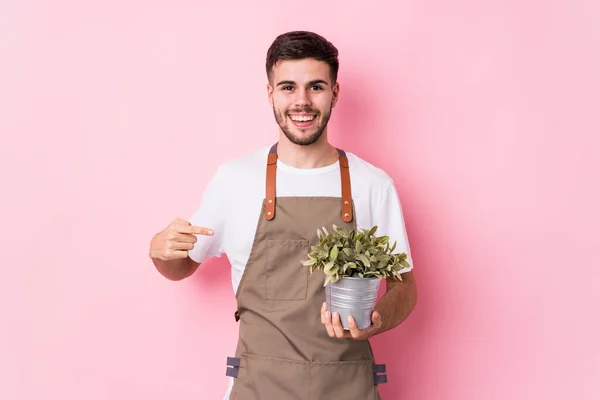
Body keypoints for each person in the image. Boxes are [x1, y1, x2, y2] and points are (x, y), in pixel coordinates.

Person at [149, 30, 417, 400]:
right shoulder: (234, 179)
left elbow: (405, 287)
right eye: (288, 87)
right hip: (259, 385)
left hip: (346, 385)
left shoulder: (373, 184)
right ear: (270, 93)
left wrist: (377, 319)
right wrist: (160, 251)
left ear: (335, 93)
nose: (302, 102)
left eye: (316, 86)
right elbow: (180, 267)